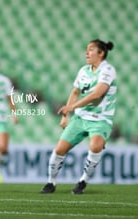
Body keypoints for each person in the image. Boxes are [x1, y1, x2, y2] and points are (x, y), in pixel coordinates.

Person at [40, 39, 116, 194]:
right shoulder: (83, 71)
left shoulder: (107, 70)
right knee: (59, 149)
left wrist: (72, 107)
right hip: (80, 118)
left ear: (101, 53)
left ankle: (82, 182)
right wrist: (65, 115)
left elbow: (97, 94)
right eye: (86, 49)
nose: (86, 52)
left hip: (100, 119)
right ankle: (51, 183)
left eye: (91, 49)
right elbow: (75, 92)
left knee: (95, 146)